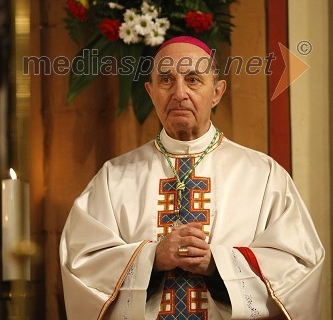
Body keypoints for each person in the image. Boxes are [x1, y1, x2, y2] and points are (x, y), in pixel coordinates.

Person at [60, 36, 325, 319]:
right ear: (150, 92)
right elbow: (81, 264)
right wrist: (152, 259)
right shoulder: (113, 179)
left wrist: (218, 265)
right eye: (166, 80)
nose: (179, 93)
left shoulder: (264, 176)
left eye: (194, 80)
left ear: (217, 92)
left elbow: (300, 266)